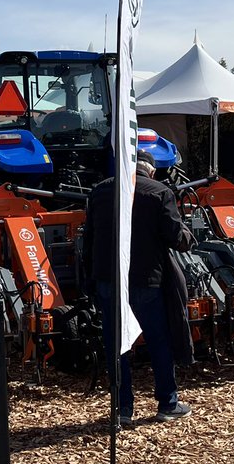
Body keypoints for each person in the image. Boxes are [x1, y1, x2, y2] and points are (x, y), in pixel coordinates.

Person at [83, 149, 196, 424]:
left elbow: (88, 240)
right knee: (158, 339)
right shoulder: (159, 192)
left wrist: (90, 279)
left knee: (117, 345)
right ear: (152, 171)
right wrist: (188, 236)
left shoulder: (99, 192)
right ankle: (167, 404)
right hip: (147, 279)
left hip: (109, 279)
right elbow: (173, 236)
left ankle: (122, 410)